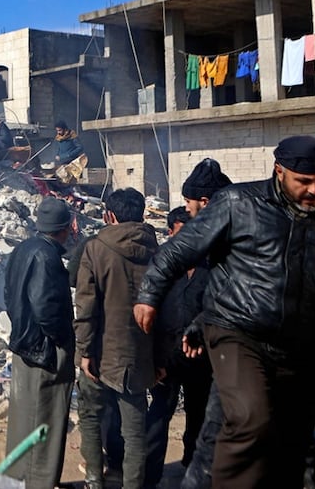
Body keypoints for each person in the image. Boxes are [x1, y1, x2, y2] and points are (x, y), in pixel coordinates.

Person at [135, 136, 315, 488]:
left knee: (282, 442)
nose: (313, 190)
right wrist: (149, 296)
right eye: (303, 181)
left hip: (297, 351)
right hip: (237, 334)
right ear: (279, 171)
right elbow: (177, 252)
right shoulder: (237, 203)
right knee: (251, 418)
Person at [76, 188, 159, 489]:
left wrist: (85, 351)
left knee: (91, 417)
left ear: (110, 215)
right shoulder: (156, 250)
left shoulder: (96, 249)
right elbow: (165, 309)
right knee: (135, 430)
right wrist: (159, 358)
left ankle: (94, 481)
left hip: (101, 353)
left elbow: (86, 306)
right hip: (139, 355)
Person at [3, 197, 76, 489]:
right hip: (44, 350)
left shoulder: (23, 248)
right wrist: (63, 341)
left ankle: (17, 478)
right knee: (45, 417)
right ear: (63, 228)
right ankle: (39, 482)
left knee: (24, 416)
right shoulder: (47, 257)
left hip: (24, 344)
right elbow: (47, 307)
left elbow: (10, 295)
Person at [143, 207, 211, 489]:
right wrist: (154, 358)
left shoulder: (210, 267)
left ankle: (190, 466)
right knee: (159, 415)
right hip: (166, 357)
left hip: (200, 357)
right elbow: (149, 310)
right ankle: (149, 476)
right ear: (170, 232)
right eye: (183, 233)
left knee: (199, 415)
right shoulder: (161, 265)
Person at [53, 119, 87, 184]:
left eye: (60, 130)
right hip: (63, 163)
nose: (58, 132)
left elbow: (80, 147)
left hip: (72, 164)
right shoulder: (59, 138)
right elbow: (60, 149)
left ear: (64, 129)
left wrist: (69, 155)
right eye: (57, 130)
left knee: (72, 182)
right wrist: (58, 155)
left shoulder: (72, 136)